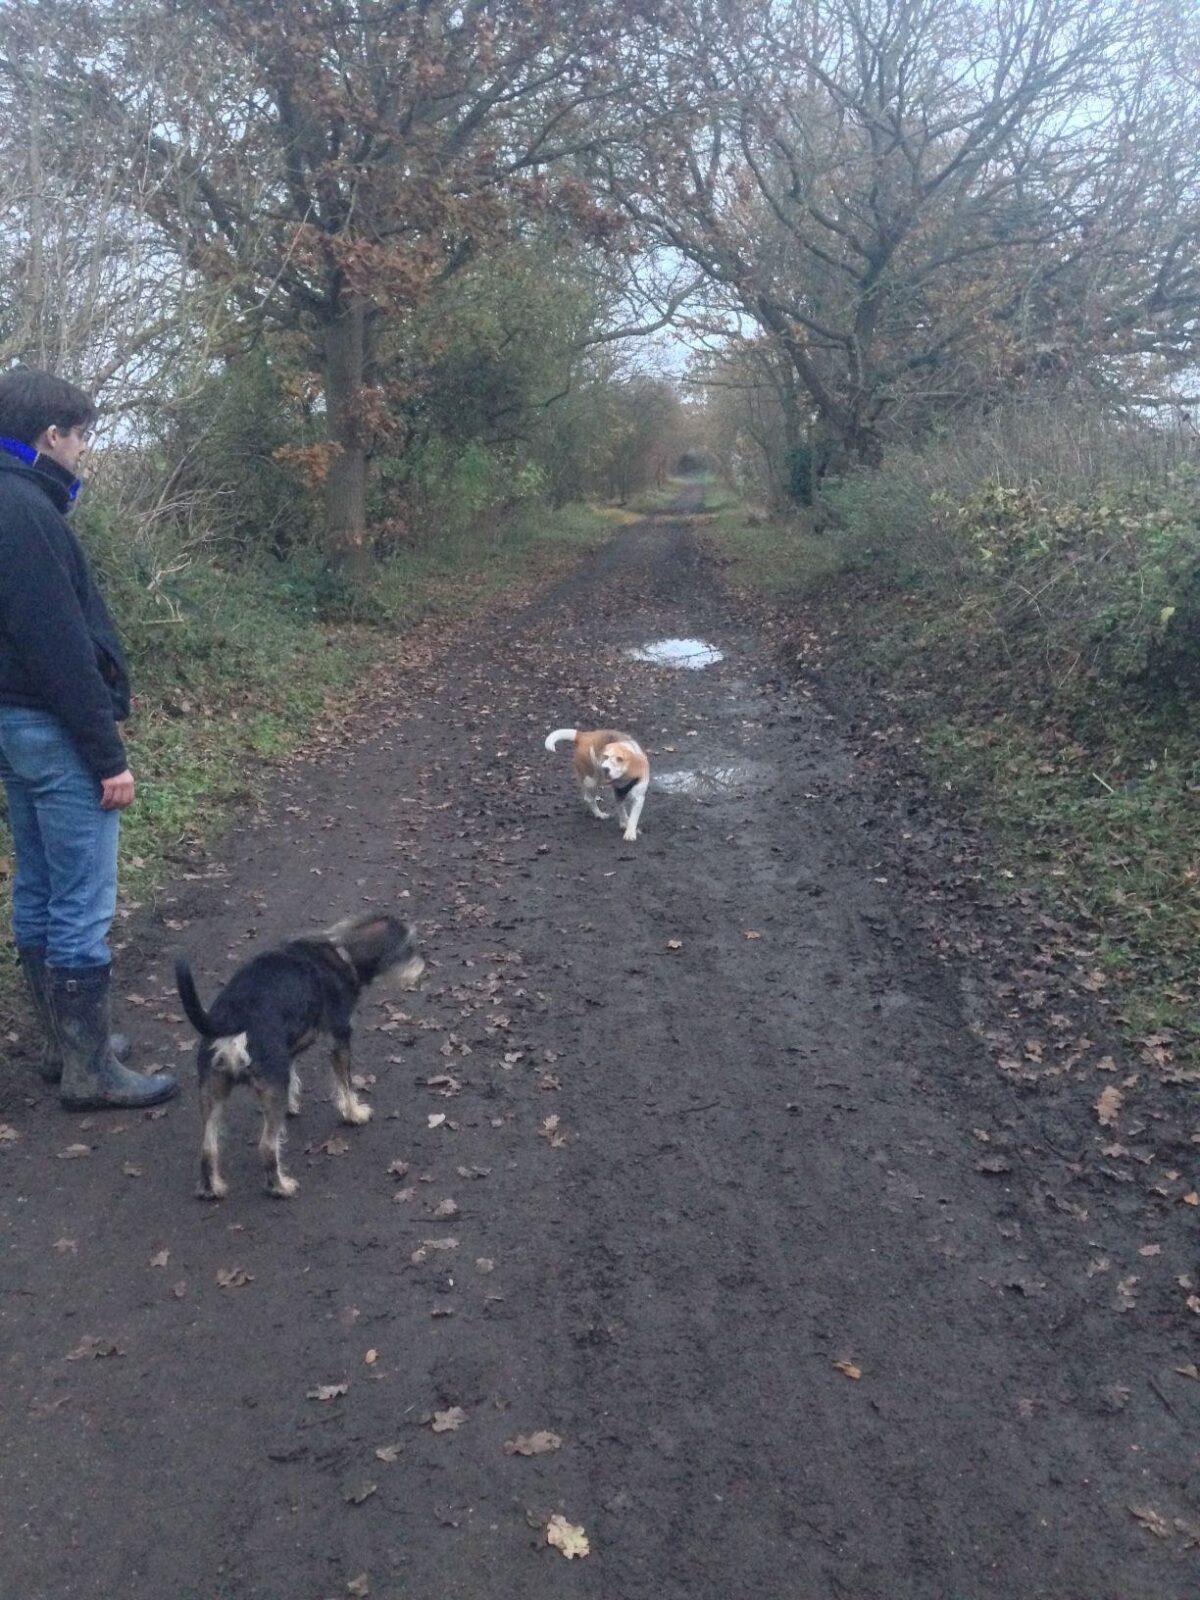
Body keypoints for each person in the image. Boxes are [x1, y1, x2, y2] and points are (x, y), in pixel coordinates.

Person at [0, 367, 175, 1109]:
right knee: (79, 899)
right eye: (82, 436)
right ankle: (89, 1072)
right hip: (50, 726)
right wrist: (108, 755)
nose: (84, 451)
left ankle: (66, 1046)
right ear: (52, 434)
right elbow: (59, 646)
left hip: (13, 726)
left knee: (39, 885)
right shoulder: (27, 511)